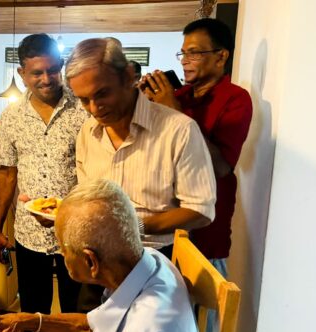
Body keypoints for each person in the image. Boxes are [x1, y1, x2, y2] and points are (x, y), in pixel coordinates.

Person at [65, 37, 216, 312]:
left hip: (156, 263)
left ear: (128, 76)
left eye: (102, 94)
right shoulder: (88, 131)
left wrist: (133, 227)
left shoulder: (178, 130)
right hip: (98, 265)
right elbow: (88, 196)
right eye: (84, 100)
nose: (95, 108)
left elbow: (201, 210)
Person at [0, 179, 198, 332]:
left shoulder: (144, 328)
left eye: (63, 248)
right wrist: (27, 321)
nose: (61, 254)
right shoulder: (149, 261)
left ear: (90, 262)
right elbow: (91, 326)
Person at [0, 34, 88, 323]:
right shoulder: (12, 116)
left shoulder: (84, 108)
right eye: (37, 73)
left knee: (77, 311)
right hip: (29, 232)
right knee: (33, 312)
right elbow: (8, 171)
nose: (47, 79)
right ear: (22, 74)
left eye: (53, 70)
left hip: (76, 230)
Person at [141, 18, 252, 269]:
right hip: (164, 226)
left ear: (221, 56)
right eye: (183, 53)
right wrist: (141, 104)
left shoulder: (236, 99)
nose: (184, 60)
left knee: (200, 304)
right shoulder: (179, 95)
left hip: (205, 228)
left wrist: (173, 110)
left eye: (194, 53)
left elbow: (222, 167)